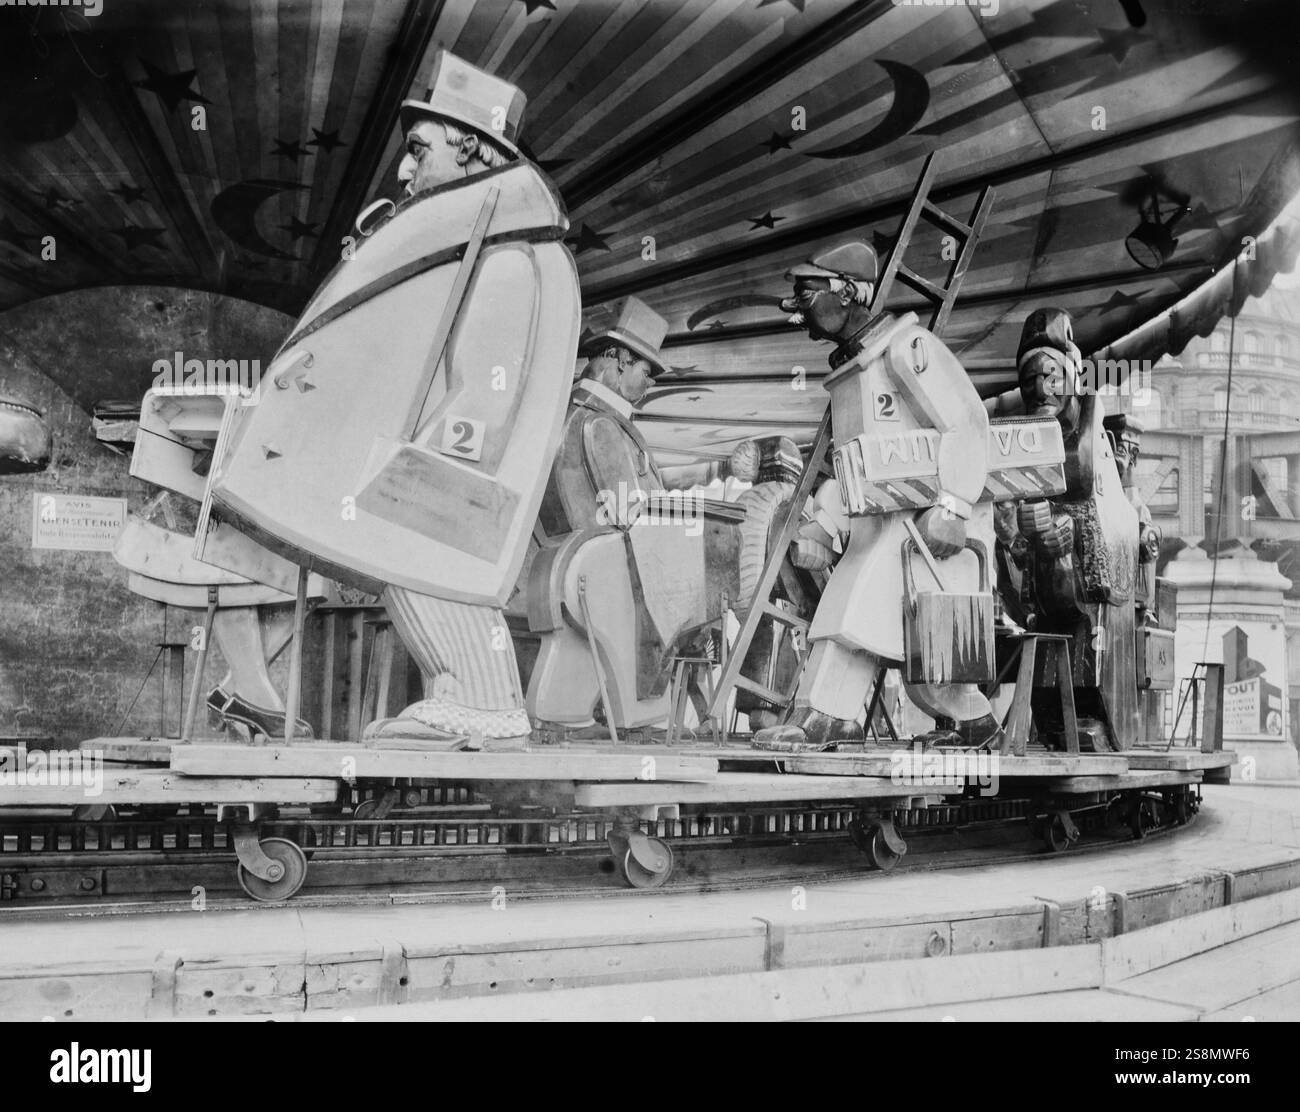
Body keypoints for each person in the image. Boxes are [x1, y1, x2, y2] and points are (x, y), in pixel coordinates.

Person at [359, 51, 582, 743]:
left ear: (473, 150)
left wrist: (430, 468)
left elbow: (487, 389)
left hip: (462, 470)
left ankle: (482, 703)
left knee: (410, 536)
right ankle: (466, 696)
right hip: (456, 466)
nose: (403, 168)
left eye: (418, 150)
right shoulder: (489, 249)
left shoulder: (507, 259)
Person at [753, 241, 1001, 750]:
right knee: (889, 630)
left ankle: (829, 718)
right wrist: (827, 522)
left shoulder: (908, 350)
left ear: (846, 293)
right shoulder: (853, 369)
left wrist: (952, 506)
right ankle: (960, 723)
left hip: (934, 527)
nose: (797, 306)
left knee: (891, 628)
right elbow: (857, 464)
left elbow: (969, 424)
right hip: (886, 522)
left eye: (807, 292)